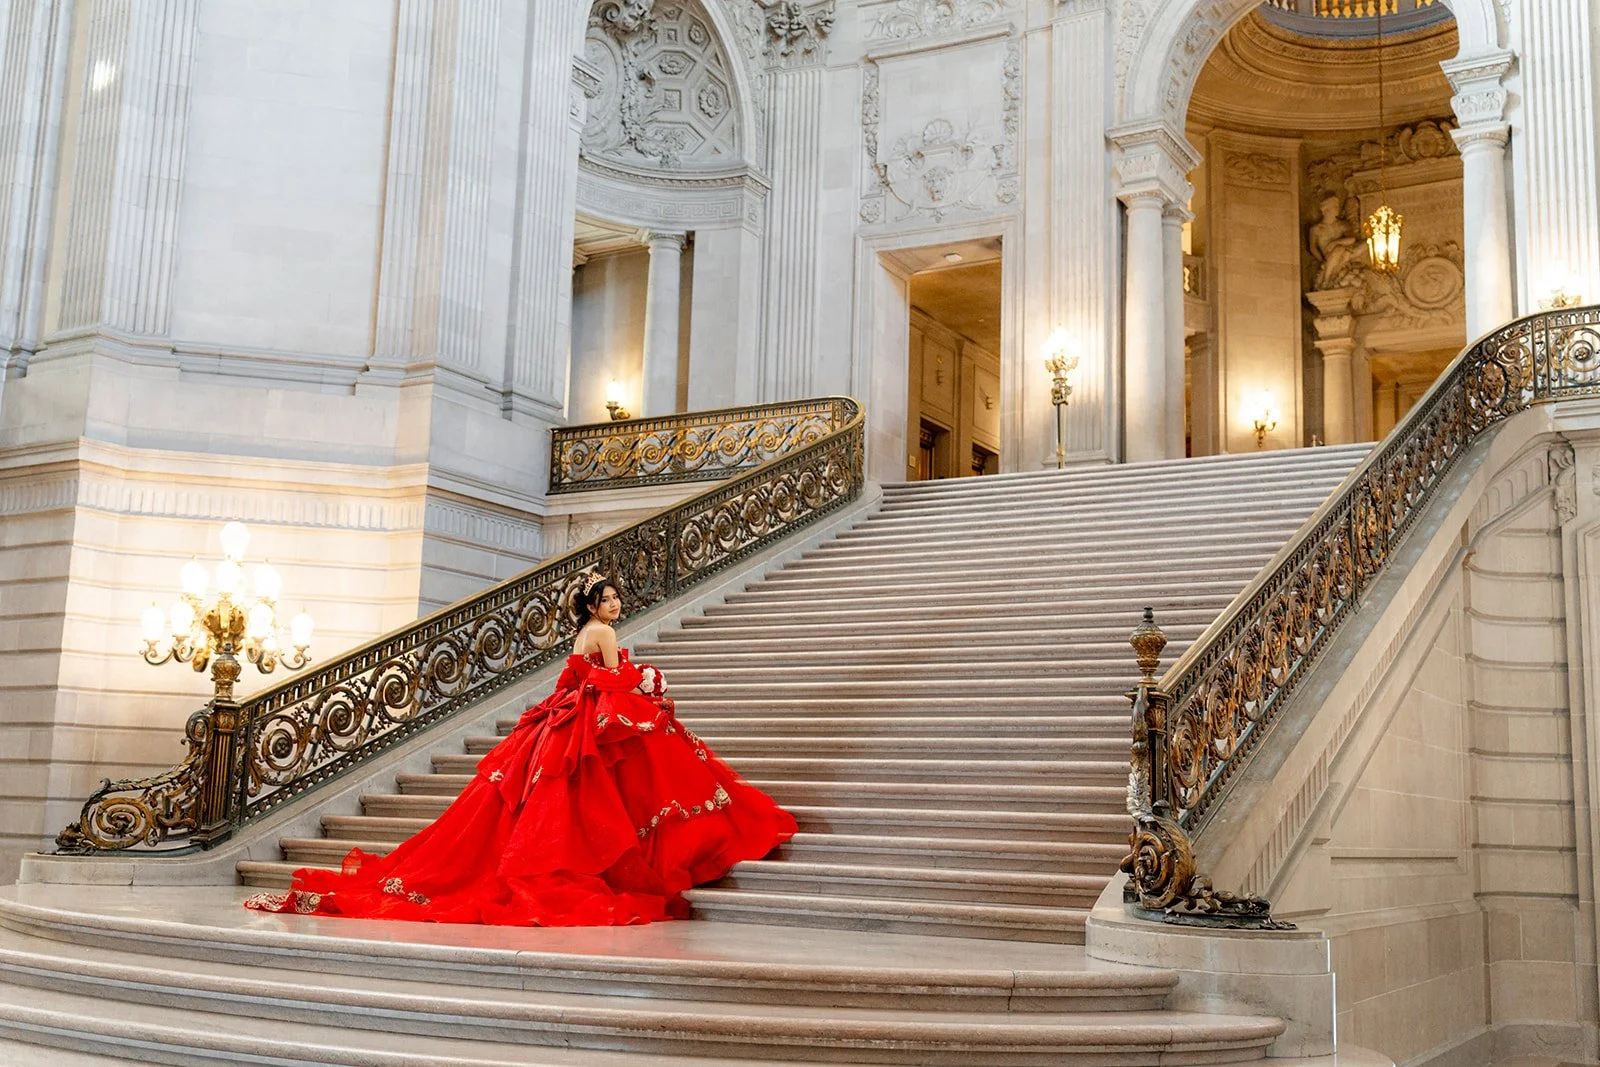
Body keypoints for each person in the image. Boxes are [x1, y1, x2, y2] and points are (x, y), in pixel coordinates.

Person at [244, 573, 797, 926]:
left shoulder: (583, 633)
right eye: (608, 599)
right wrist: (649, 681)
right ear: (595, 606)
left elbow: (578, 680)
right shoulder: (600, 634)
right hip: (586, 714)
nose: (615, 604)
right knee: (655, 759)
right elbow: (612, 680)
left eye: (614, 598)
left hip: (569, 715)